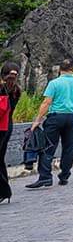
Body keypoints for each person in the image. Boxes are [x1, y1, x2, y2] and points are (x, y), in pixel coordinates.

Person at [26, 59, 73, 190]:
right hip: (71, 118)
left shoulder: (54, 83)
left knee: (47, 146)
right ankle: (64, 175)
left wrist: (37, 120)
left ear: (60, 69)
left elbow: (46, 103)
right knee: (69, 147)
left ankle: (45, 177)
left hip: (55, 117)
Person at [0, 62, 22, 203]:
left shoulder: (2, 88)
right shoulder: (16, 90)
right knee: (0, 159)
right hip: (7, 126)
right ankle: (5, 192)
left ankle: (4, 191)